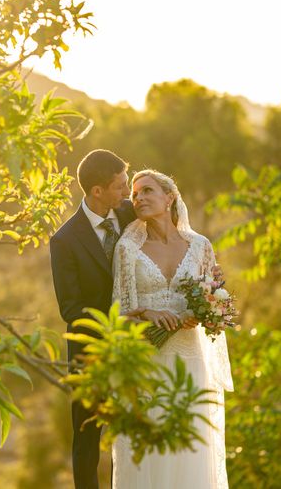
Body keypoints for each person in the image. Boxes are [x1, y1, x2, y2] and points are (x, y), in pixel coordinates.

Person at [110, 169, 234, 489]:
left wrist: (205, 314)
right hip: (146, 364)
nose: (139, 198)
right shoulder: (128, 249)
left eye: (148, 191)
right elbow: (118, 315)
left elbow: (215, 300)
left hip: (191, 362)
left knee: (190, 451)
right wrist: (148, 313)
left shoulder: (201, 246)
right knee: (149, 457)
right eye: (135, 194)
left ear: (170, 198)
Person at [49, 149, 137, 489]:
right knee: (87, 437)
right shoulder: (64, 240)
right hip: (91, 350)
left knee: (129, 431)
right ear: (97, 191)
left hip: (137, 347)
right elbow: (70, 308)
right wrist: (120, 318)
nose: (126, 193)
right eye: (119, 187)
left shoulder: (130, 214)